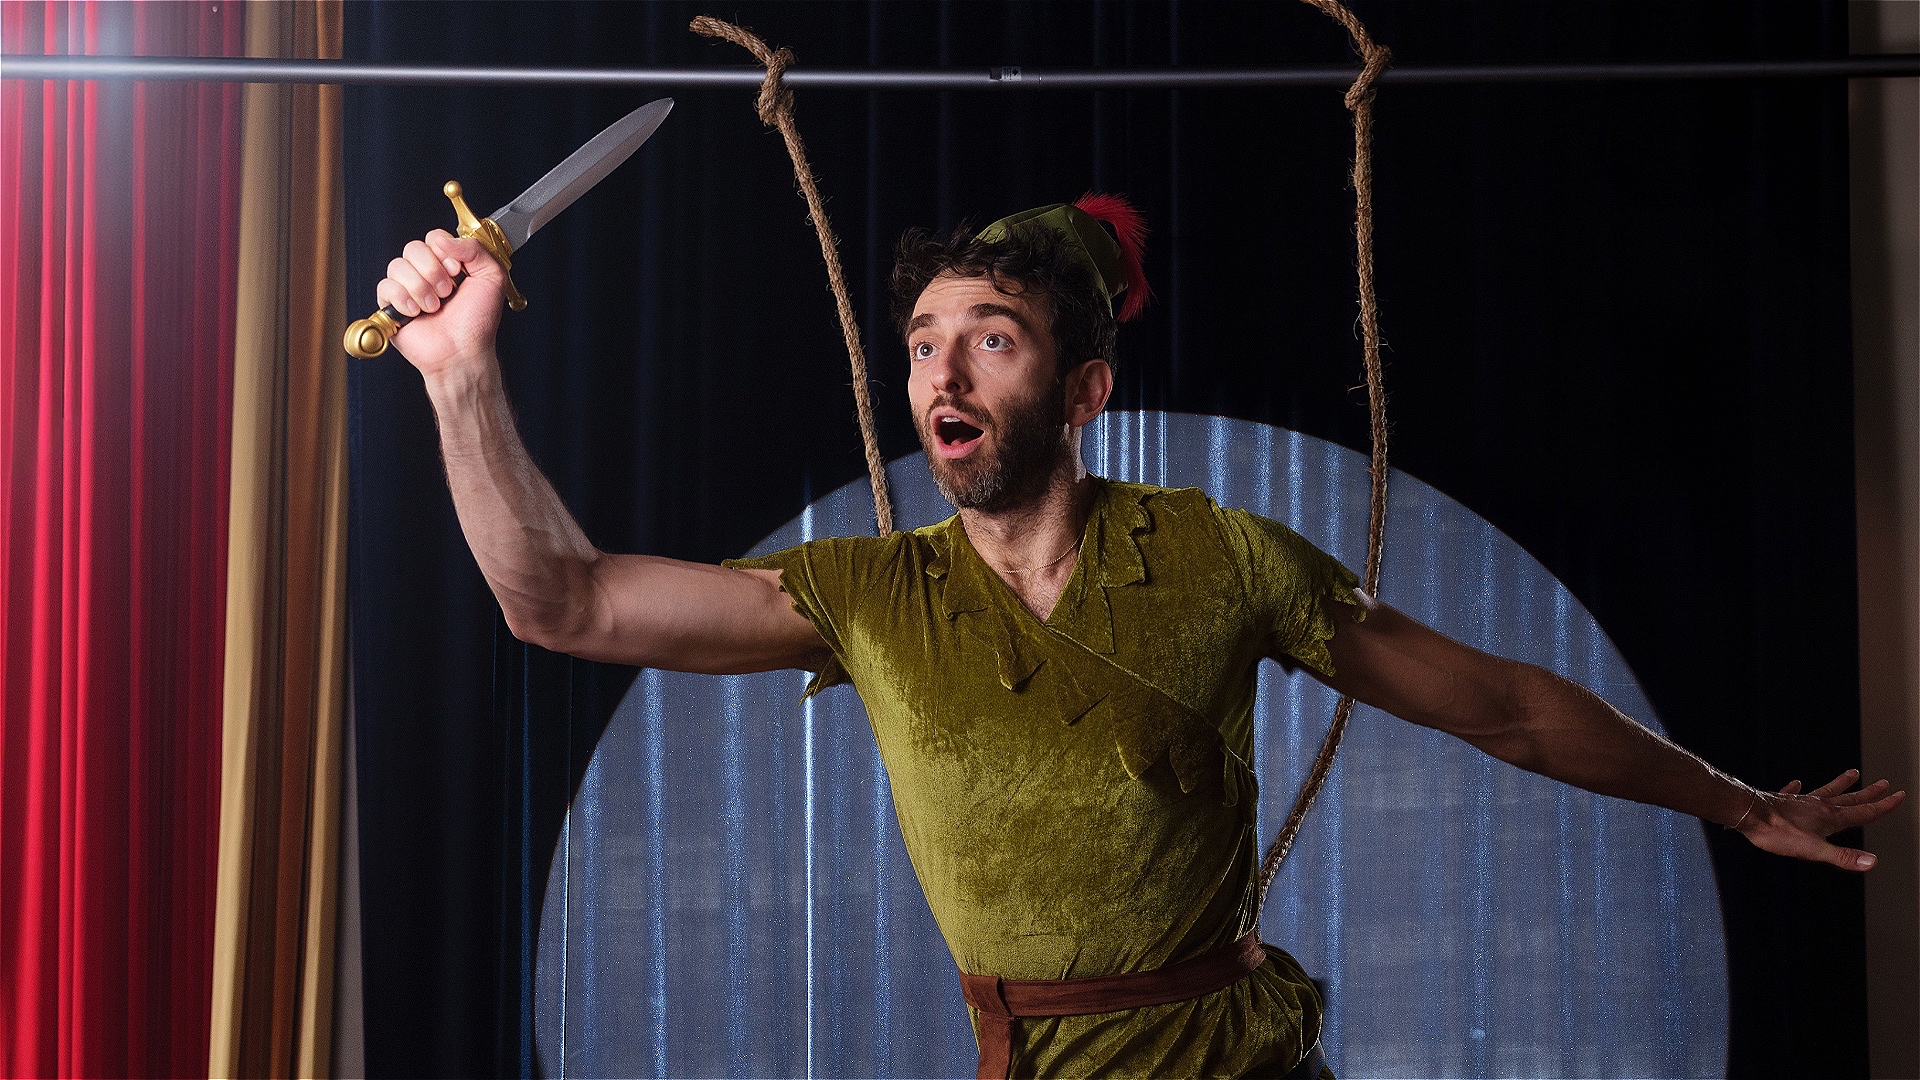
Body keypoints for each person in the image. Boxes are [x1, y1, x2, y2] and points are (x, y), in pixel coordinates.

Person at [374, 195, 1903, 1080]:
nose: (940, 371)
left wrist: (1738, 802)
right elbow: (557, 602)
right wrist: (459, 376)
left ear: (1082, 393)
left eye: (991, 338)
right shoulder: (872, 594)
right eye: (923, 342)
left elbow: (1501, 708)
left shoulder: (1222, 558)